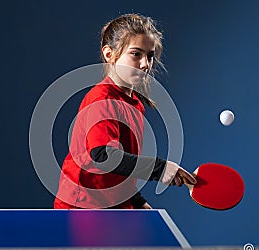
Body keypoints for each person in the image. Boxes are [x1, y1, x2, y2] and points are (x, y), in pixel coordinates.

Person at [54, 14, 196, 209]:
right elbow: (103, 155)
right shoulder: (102, 100)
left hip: (114, 205)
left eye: (150, 56)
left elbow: (120, 165)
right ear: (109, 54)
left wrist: (137, 201)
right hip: (82, 207)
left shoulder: (135, 104)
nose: (145, 64)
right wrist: (160, 168)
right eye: (136, 54)